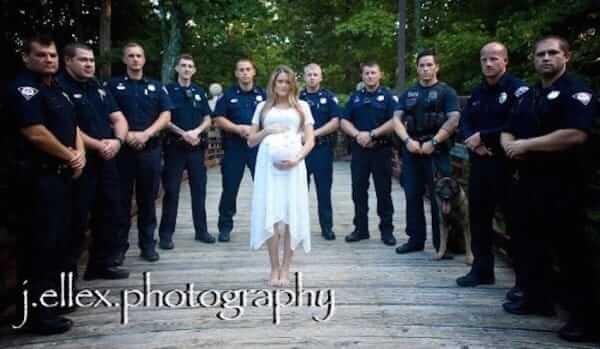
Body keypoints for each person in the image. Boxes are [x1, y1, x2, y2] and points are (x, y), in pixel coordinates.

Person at [501, 36, 598, 343]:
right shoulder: (529, 95)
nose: (545, 58)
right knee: (531, 245)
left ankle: (583, 318)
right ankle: (537, 299)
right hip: (529, 181)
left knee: (571, 252)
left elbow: (575, 134)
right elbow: (508, 128)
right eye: (540, 54)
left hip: (564, 183)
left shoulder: (576, 91)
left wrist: (526, 145)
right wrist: (510, 147)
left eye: (552, 53)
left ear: (566, 56)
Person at [7, 35, 85, 334]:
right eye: (41, 55)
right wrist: (70, 156)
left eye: (52, 55)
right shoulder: (23, 89)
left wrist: (78, 155)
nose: (49, 60)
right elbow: (34, 132)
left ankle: (55, 302)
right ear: (26, 57)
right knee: (39, 247)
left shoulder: (58, 91)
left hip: (63, 176)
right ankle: (36, 316)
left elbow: (73, 125)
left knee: (61, 243)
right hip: (37, 179)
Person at [456, 42, 528, 288]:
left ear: (505, 61)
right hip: (479, 163)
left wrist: (484, 137)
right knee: (479, 218)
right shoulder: (478, 92)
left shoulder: (519, 90)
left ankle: (523, 281)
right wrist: (472, 141)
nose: (488, 63)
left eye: (494, 59)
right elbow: (465, 121)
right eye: (484, 59)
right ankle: (482, 270)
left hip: (507, 165)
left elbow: (519, 122)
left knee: (515, 222)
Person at [58, 43, 130, 280]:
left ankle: (100, 265)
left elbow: (118, 117)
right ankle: (66, 279)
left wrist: (118, 141)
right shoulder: (59, 86)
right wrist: (99, 145)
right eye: (83, 60)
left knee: (109, 212)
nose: (89, 64)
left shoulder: (98, 86)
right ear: (68, 61)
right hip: (79, 162)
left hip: (107, 159)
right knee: (76, 220)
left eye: (91, 60)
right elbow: (70, 127)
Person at [247, 65, 315, 287]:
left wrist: (297, 158)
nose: (283, 85)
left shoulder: (302, 106)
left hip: (294, 166)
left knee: (290, 216)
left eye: (287, 82)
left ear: (292, 84)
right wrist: (267, 130)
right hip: (268, 167)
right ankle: (274, 267)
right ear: (273, 84)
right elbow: (250, 140)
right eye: (279, 82)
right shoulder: (262, 107)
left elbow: (310, 140)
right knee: (272, 218)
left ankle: (286, 268)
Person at [106, 42, 173, 263]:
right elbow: (109, 115)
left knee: (148, 200)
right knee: (120, 201)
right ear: (124, 59)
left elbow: (165, 116)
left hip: (150, 149)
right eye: (131, 56)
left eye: (139, 56)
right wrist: (127, 136)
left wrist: (145, 134)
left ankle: (147, 246)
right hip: (122, 151)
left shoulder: (156, 86)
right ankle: (118, 249)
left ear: (144, 60)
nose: (135, 59)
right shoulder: (112, 86)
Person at [393, 49, 460, 255]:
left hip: (437, 152)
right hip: (412, 150)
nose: (425, 69)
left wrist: (434, 141)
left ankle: (444, 244)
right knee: (412, 195)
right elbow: (396, 119)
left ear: (436, 67)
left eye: (429, 65)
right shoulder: (408, 93)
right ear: (417, 68)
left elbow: (454, 119)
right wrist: (407, 140)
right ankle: (415, 240)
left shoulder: (447, 92)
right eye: (421, 65)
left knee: (441, 197)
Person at [158, 54, 214, 249]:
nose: (187, 69)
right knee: (172, 191)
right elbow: (164, 117)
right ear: (177, 69)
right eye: (183, 66)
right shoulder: (167, 90)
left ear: (194, 70)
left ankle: (201, 231)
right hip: (175, 147)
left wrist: (196, 132)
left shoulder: (199, 91)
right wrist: (183, 133)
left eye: (190, 66)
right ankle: (166, 235)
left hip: (196, 148)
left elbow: (207, 117)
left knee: (199, 190)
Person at [340, 61, 397, 246]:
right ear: (362, 76)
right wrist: (358, 135)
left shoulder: (388, 97)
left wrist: (373, 133)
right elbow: (344, 121)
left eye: (373, 72)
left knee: (384, 192)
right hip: (359, 151)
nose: (370, 76)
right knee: (358, 192)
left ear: (380, 74)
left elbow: (395, 120)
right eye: (367, 73)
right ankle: (361, 230)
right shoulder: (355, 98)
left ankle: (387, 231)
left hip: (381, 150)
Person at [212, 59, 266, 242]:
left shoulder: (264, 95)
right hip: (234, 147)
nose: (244, 73)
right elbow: (218, 118)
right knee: (230, 188)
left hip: (257, 148)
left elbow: (271, 118)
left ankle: (266, 226)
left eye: (248, 69)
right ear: (236, 73)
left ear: (253, 72)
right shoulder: (227, 95)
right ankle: (225, 227)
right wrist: (238, 129)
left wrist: (255, 131)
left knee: (264, 187)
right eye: (241, 70)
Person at [300, 63, 341, 240]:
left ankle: (327, 228)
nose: (312, 78)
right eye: (309, 75)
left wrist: (313, 134)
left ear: (321, 77)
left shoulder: (329, 97)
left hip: (322, 149)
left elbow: (335, 122)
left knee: (324, 191)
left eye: (315, 74)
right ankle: (299, 229)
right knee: (299, 192)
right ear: (304, 77)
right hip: (301, 151)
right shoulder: (296, 98)